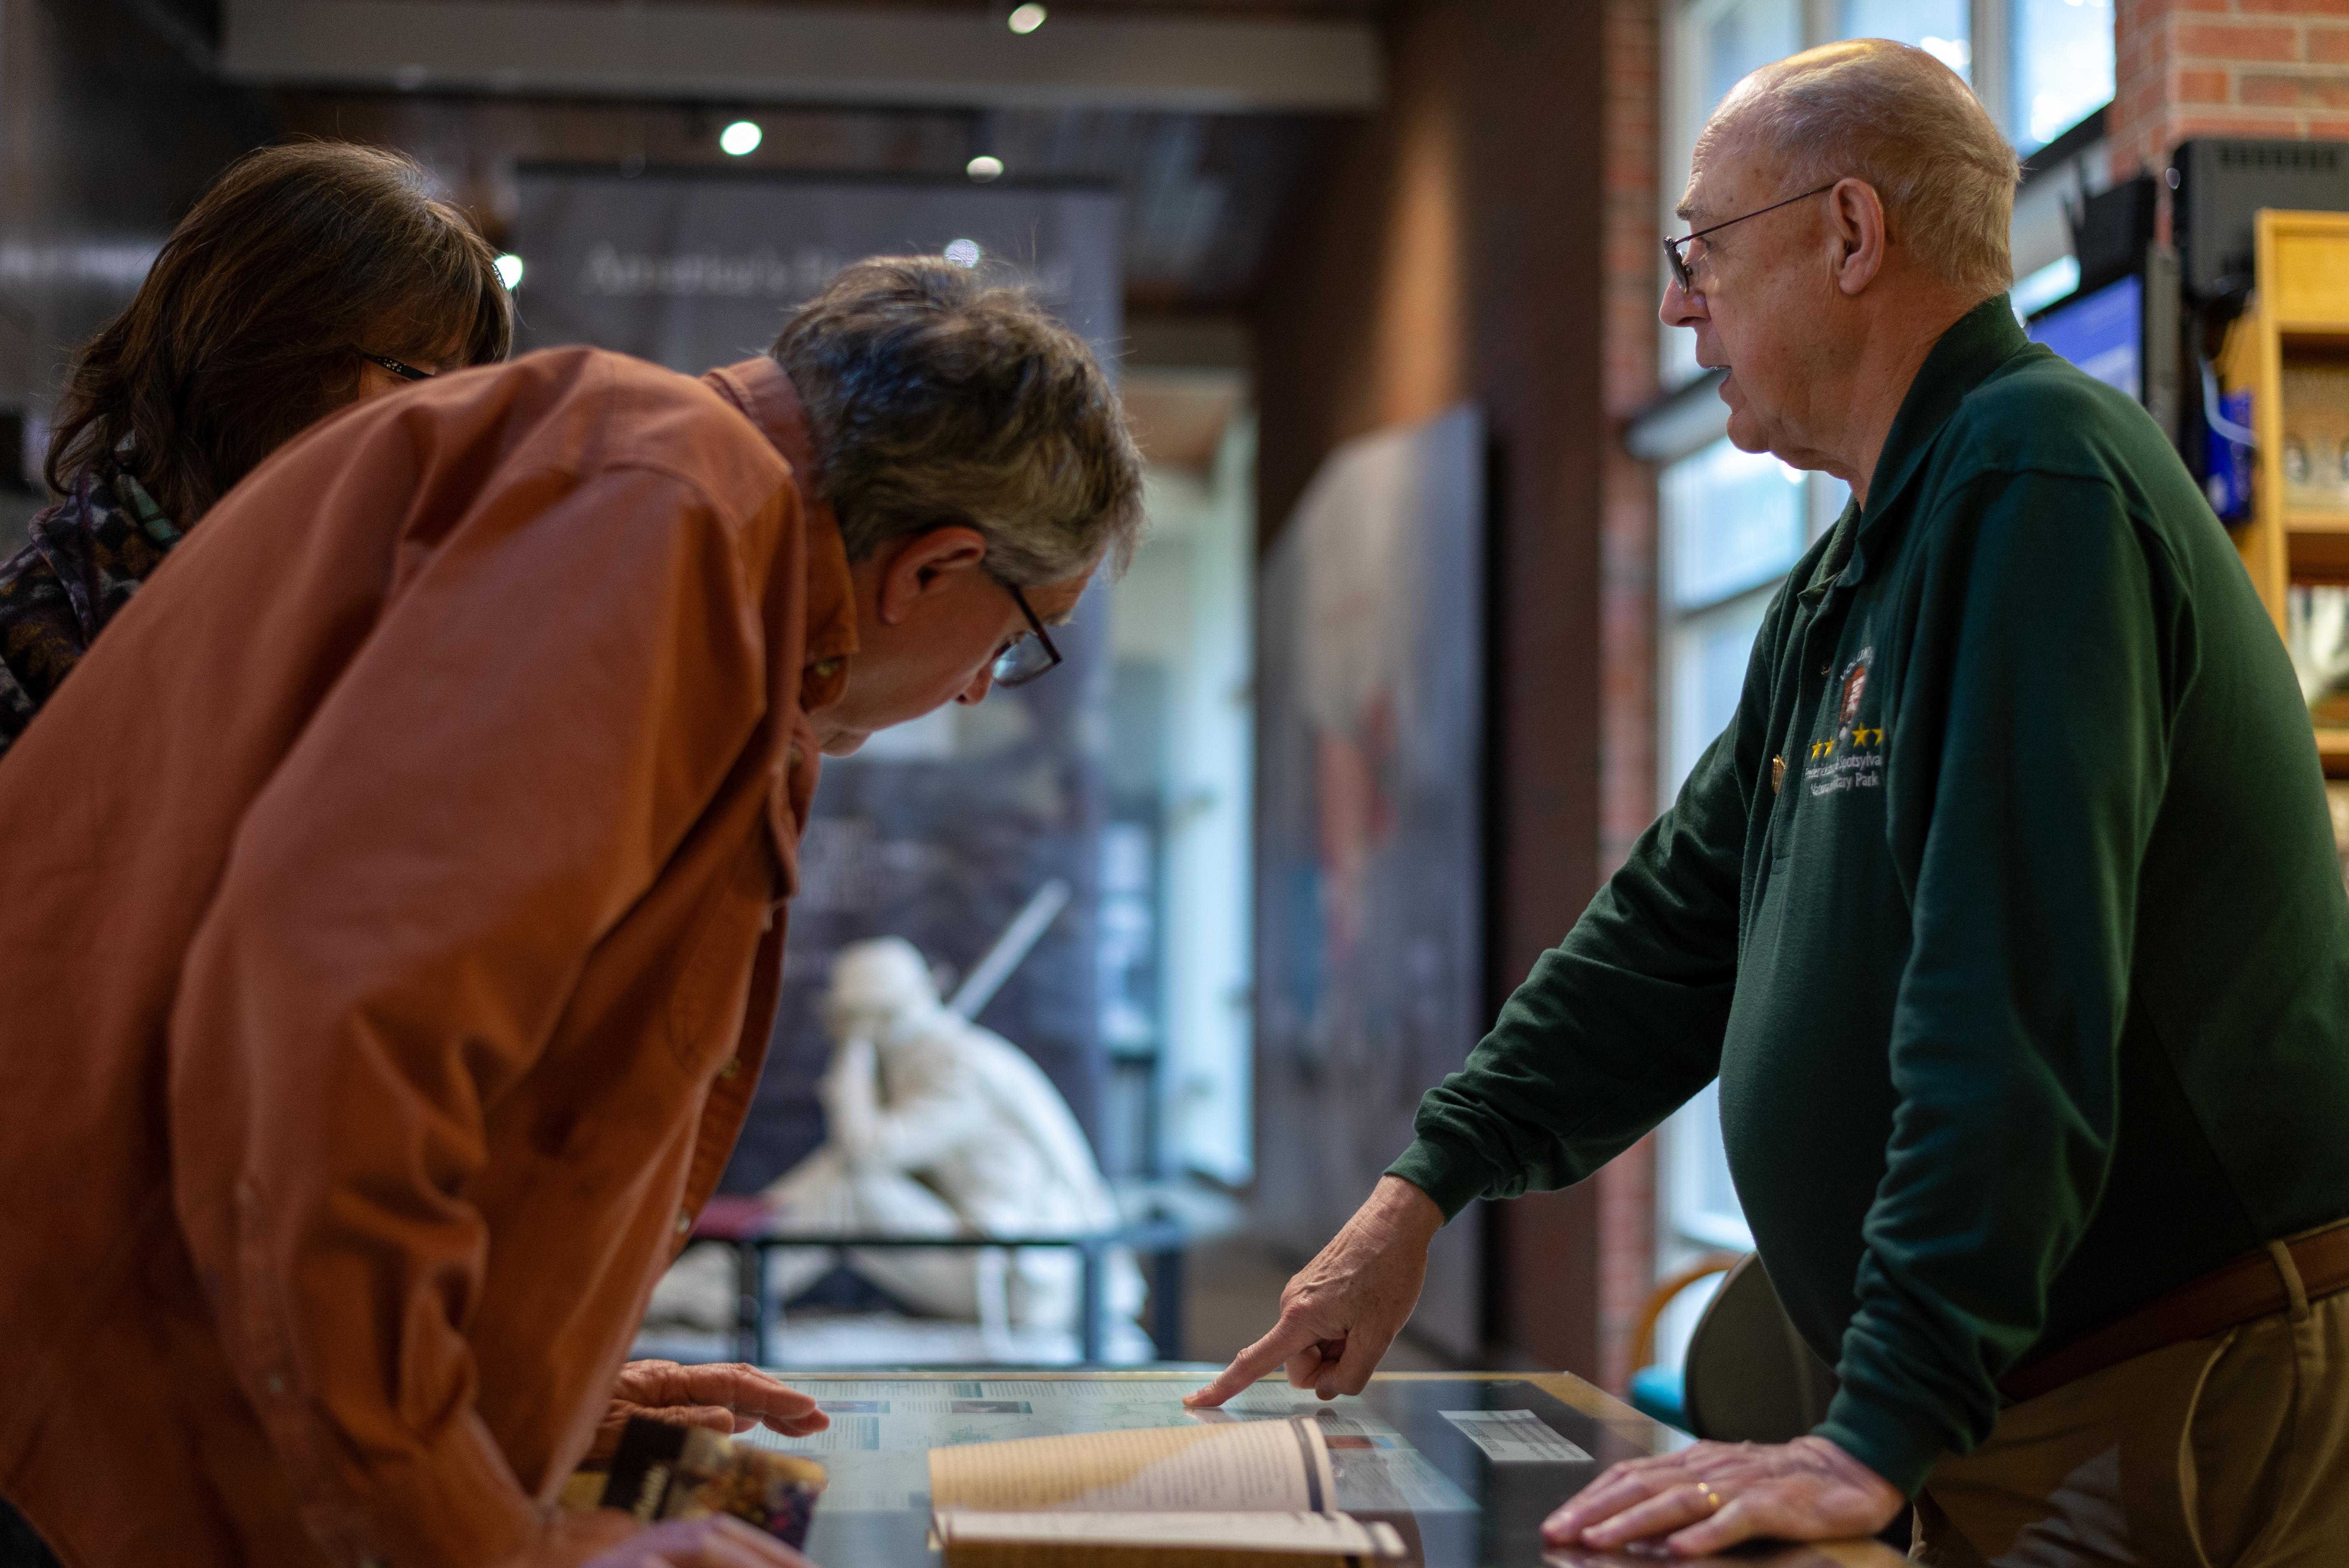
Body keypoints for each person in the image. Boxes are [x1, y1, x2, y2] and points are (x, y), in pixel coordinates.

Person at [1188, 39, 2349, 1566]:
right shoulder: (1849, 573)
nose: (1677, 306)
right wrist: (1421, 1187)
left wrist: (1878, 1420)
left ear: (1849, 235)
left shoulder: (2032, 478)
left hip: (2168, 1374)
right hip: (2017, 1390)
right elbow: (1669, 929)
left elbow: (2008, 989)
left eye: (1698, 253)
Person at [0, 254, 1143, 1568]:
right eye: (1015, 640)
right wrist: (493, 1535)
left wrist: (542, 1370)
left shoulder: (650, 494)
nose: (977, 692)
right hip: (89, 1427)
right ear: (932, 565)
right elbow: (331, 1049)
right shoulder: (659, 518)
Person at [0, 141, 513, 760]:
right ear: (271, 359)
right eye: (415, 374)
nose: (444, 424)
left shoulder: (396, 626)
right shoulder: (32, 646)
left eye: (462, 391)